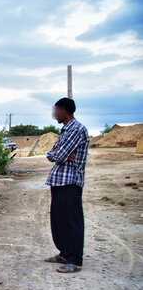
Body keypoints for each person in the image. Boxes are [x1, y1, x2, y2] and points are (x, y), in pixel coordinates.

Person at [44, 97, 89, 274]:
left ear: (65, 110)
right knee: (59, 219)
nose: (54, 113)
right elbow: (51, 154)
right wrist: (60, 154)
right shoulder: (65, 130)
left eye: (56, 109)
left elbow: (59, 155)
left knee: (72, 221)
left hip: (70, 181)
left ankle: (75, 259)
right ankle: (65, 253)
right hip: (59, 180)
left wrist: (61, 154)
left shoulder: (77, 130)